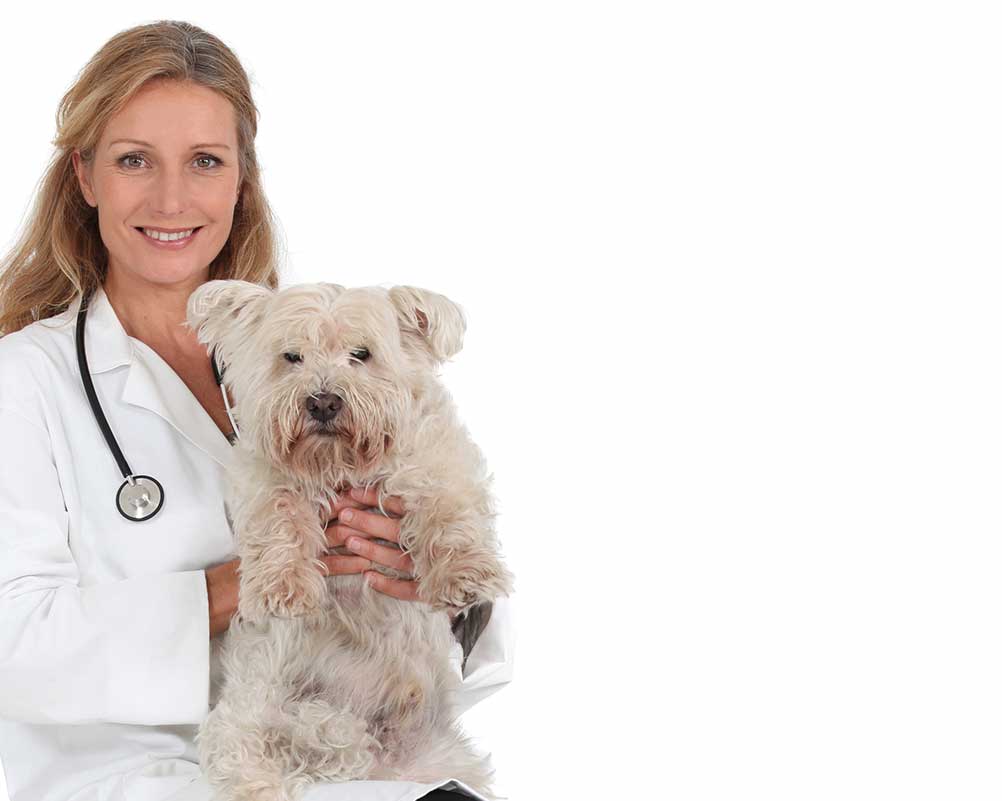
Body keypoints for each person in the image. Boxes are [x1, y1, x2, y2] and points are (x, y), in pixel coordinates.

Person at [0, 20, 515, 801]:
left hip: (357, 753)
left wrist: (425, 572)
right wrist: (236, 584)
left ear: (242, 180)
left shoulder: (306, 340)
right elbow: (13, 646)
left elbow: (459, 598)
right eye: (134, 159)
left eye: (205, 161)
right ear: (84, 176)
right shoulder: (23, 381)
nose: (171, 199)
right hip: (130, 780)